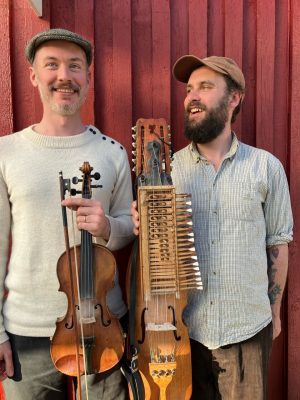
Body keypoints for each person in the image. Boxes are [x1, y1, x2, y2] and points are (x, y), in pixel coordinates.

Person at [131, 55, 293, 399]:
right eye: (189, 89)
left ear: (233, 98)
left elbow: (278, 243)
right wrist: (143, 225)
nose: (192, 96)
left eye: (205, 87)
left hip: (247, 329)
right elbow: (155, 256)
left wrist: (274, 311)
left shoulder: (266, 167)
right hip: (184, 334)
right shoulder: (167, 172)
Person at [0, 28, 133, 399]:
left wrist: (107, 225)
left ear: (88, 78)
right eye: (52, 65)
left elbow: (127, 230)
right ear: (33, 75)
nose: (64, 76)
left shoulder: (111, 152)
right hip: (29, 330)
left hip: (102, 325)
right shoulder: (6, 152)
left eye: (75, 66)